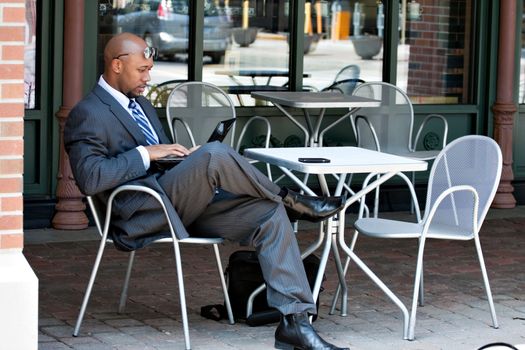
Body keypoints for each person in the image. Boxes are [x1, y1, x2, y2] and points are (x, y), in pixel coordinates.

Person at [65, 32, 349, 350]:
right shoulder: (87, 113)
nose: (149, 77)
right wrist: (149, 153)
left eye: (149, 69)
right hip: (139, 213)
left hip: (177, 203)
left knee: (268, 213)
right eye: (142, 70)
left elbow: (162, 164)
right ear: (117, 65)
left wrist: (183, 158)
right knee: (215, 155)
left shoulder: (140, 104)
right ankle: (291, 198)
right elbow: (90, 178)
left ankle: (294, 323)